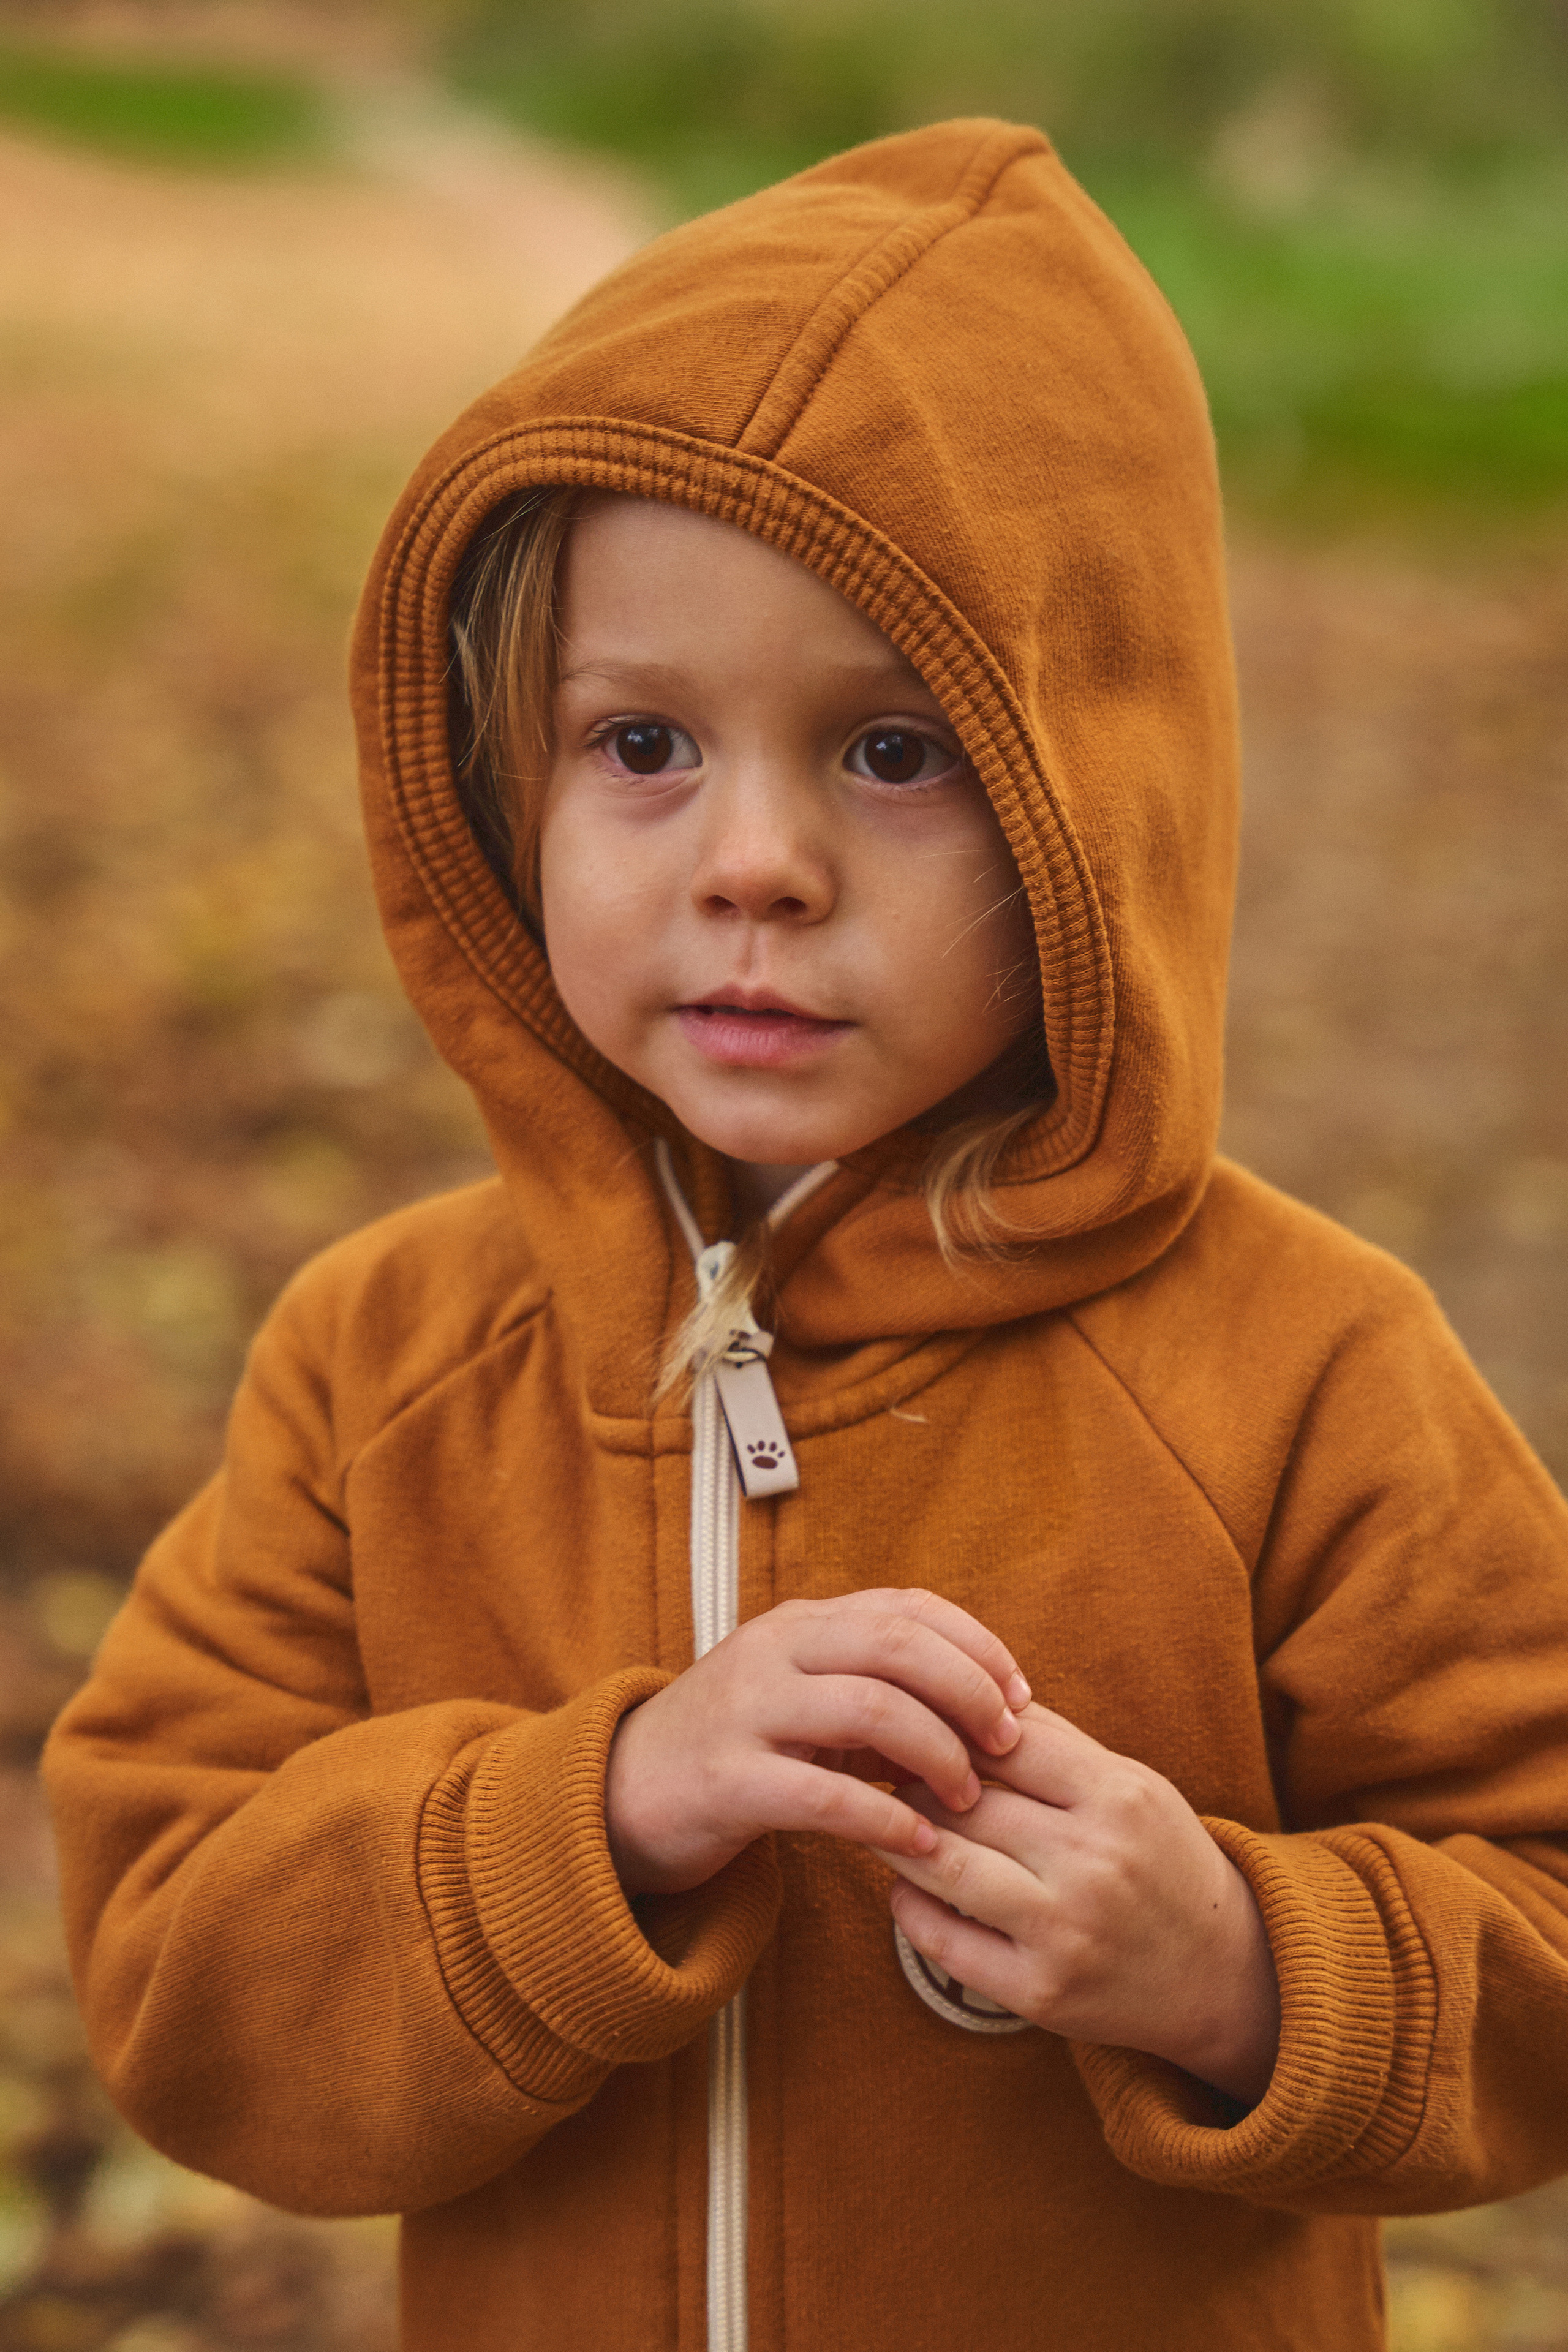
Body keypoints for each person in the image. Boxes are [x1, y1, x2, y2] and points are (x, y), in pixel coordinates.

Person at [43, 116, 1568, 2352]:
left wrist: (1242, 1970)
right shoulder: (388, 1363)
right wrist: (599, 1819)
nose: (754, 863)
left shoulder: (1303, 1368)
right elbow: (177, 1976)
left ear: (1094, 802)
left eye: (892, 754)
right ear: (503, 784)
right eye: (644, 740)